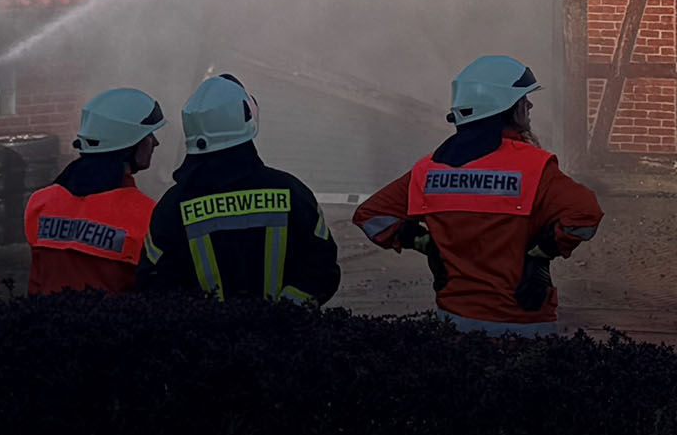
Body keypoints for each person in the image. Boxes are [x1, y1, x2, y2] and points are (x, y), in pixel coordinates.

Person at [353, 55, 603, 337]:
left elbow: (370, 215)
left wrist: (425, 243)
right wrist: (541, 251)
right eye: (523, 100)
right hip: (524, 323)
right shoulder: (534, 166)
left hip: (454, 322)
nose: (529, 106)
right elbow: (585, 216)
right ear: (505, 108)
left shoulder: (428, 169)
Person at [138, 73, 340, 305]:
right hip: (285, 328)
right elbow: (322, 267)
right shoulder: (292, 194)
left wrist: (199, 319)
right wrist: (286, 312)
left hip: (200, 329)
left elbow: (153, 282)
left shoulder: (173, 207)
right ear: (245, 120)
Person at [24, 88, 162, 294]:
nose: (156, 143)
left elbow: (36, 281)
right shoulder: (147, 214)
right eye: (149, 135)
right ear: (131, 143)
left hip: (46, 314)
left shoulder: (40, 202)